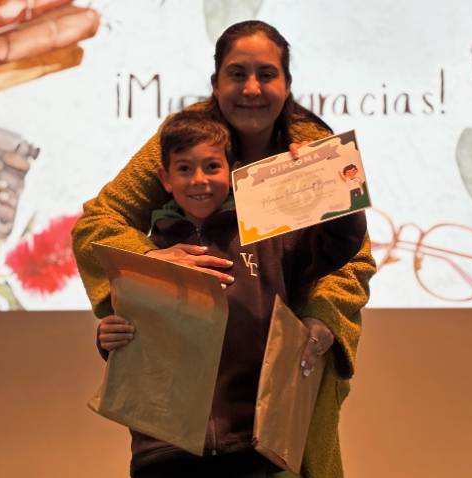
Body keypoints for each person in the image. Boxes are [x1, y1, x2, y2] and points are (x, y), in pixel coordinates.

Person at [72, 20, 377, 478]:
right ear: (215, 83)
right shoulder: (187, 138)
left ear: (287, 84)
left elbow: (350, 254)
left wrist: (321, 318)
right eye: (237, 74)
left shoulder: (313, 148)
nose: (251, 88)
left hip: (280, 384)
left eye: (266, 74)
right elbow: (99, 222)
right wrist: (151, 264)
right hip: (176, 429)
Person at [114, 110, 366, 477]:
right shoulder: (152, 251)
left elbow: (338, 244)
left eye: (212, 167)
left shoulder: (267, 236)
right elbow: (131, 334)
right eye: (184, 169)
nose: (199, 180)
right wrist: (107, 339)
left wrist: (327, 175)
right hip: (164, 450)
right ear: (164, 178)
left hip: (250, 443)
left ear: (233, 172)